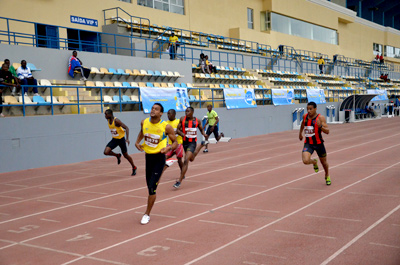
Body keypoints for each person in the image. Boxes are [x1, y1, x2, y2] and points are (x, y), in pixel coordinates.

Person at [135, 103, 178, 225]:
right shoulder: (144, 122)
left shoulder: (166, 127)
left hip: (159, 157)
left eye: (156, 109)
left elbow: (175, 142)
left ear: (160, 113)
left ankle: (146, 214)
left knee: (152, 188)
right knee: (149, 184)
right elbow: (142, 132)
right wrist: (137, 142)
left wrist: (168, 149)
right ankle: (166, 166)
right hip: (148, 157)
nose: (153, 110)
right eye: (152, 108)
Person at [173, 107, 208, 188]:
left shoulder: (197, 121)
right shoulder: (182, 119)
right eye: (185, 111)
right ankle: (201, 145)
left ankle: (179, 181)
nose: (186, 113)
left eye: (188, 111)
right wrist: (182, 134)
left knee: (186, 160)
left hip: (192, 143)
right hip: (185, 142)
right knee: (191, 159)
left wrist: (204, 134)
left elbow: (201, 129)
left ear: (192, 112)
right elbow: (177, 130)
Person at [299, 101, 331, 185]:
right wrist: (300, 134)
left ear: (315, 109)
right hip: (308, 143)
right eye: (307, 109)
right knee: (305, 161)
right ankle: (314, 162)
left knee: (324, 163)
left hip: (319, 144)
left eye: (311, 109)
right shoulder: (305, 117)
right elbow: (303, 124)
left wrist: (320, 126)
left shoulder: (320, 118)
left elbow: (327, 131)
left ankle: (327, 175)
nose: (309, 111)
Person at [104, 109, 137, 176]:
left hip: (121, 139)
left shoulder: (116, 121)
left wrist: (127, 139)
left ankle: (134, 167)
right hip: (114, 139)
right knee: (106, 152)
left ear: (110, 114)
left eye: (106, 114)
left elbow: (127, 128)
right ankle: (117, 155)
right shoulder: (108, 120)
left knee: (126, 155)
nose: (105, 116)